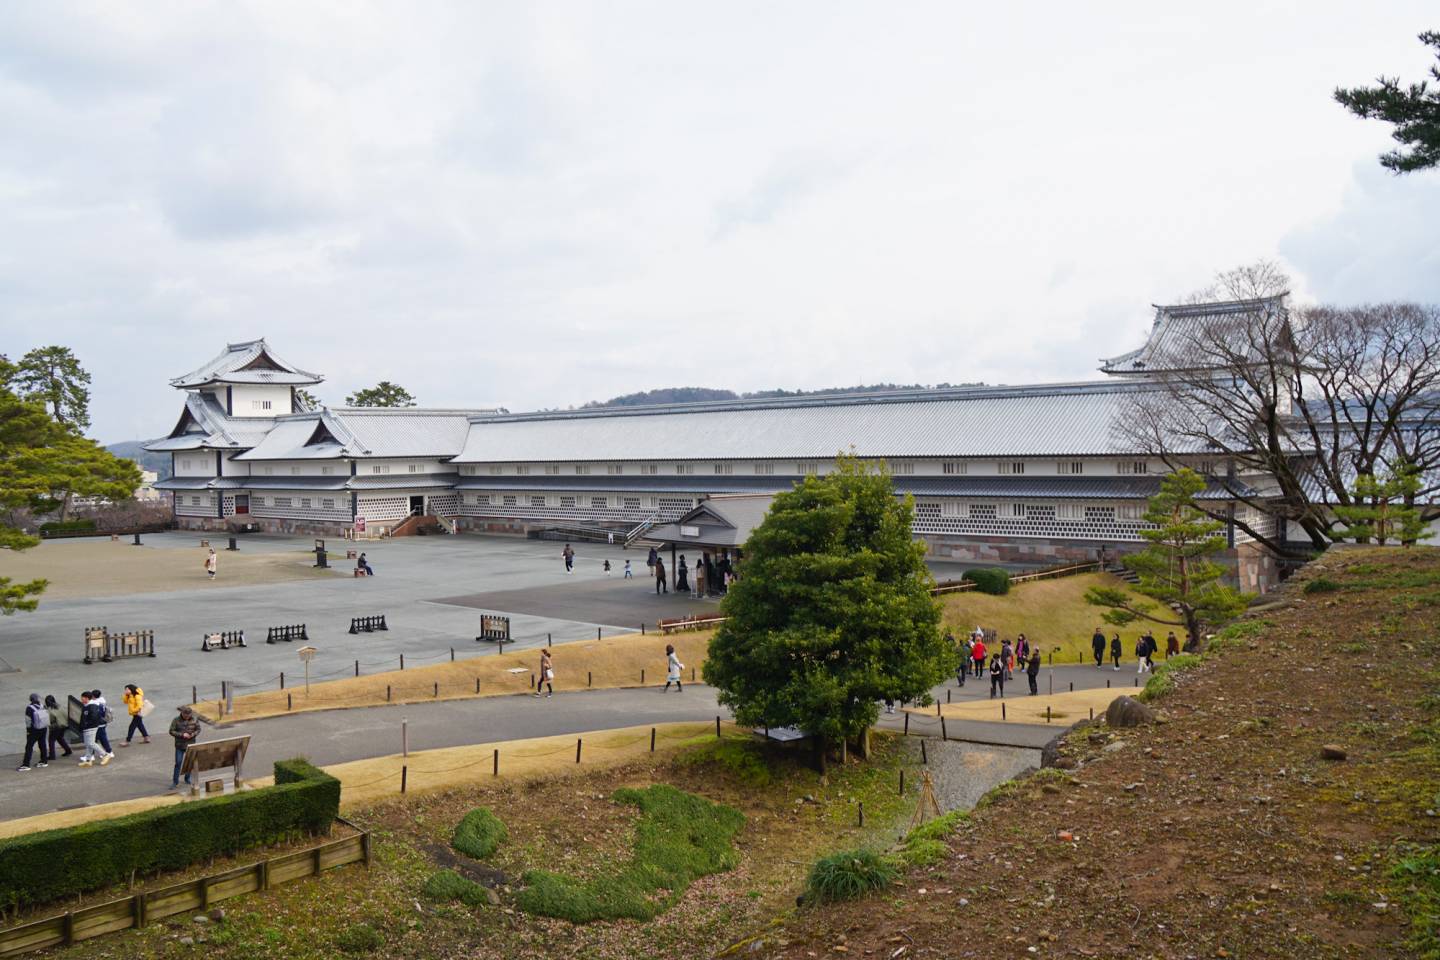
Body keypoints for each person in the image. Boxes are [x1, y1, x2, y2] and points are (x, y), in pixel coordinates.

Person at [169, 705, 199, 789]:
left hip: (190, 744)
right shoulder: (176, 720)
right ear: (182, 713)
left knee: (189, 763)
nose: (187, 717)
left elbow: (198, 729)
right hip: (179, 745)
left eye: (188, 715)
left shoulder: (194, 719)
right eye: (185, 715)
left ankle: (187, 778)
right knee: (178, 763)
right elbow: (171, 731)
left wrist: (192, 734)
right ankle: (175, 782)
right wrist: (182, 735)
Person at [19, 693, 49, 771]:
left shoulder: (29, 708)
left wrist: (28, 731)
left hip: (33, 730)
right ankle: (44, 761)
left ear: (30, 699)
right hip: (43, 728)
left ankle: (26, 764)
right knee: (42, 745)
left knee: (29, 747)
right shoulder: (43, 706)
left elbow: (28, 721)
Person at [78, 692, 104, 767]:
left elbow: (94, 718)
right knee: (88, 744)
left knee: (91, 743)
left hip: (91, 728)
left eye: (82, 698)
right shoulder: (86, 706)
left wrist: (86, 724)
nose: (81, 699)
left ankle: (104, 754)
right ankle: (88, 760)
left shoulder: (92, 706)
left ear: (86, 698)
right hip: (87, 728)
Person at [91, 689, 114, 760]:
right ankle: (108, 751)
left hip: (98, 724)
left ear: (93, 696)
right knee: (101, 738)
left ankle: (92, 755)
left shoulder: (94, 704)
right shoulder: (102, 701)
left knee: (93, 740)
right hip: (103, 723)